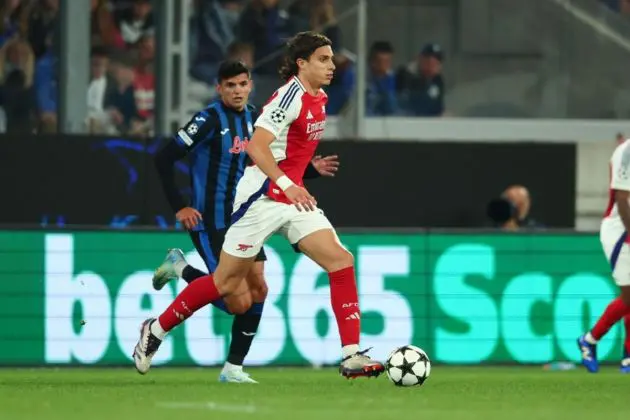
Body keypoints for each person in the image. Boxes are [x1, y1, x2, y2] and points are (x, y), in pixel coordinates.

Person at [133, 31, 384, 379]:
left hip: (291, 196)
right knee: (225, 286)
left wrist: (302, 176)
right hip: (259, 199)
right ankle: (155, 330)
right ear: (302, 63)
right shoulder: (288, 97)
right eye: (323, 59)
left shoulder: (320, 97)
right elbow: (257, 147)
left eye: (330, 59)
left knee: (341, 261)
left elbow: (286, 150)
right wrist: (285, 184)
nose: (331, 66)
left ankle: (351, 354)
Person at [150, 59, 339, 382]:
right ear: (219, 89)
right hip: (211, 220)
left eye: (242, 84)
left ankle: (233, 369)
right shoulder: (207, 120)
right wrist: (180, 206)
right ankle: (180, 268)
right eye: (230, 86)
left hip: (247, 216)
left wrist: (309, 171)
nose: (237, 91)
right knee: (237, 302)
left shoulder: (257, 118)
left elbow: (272, 161)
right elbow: (164, 157)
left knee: (260, 289)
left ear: (250, 84)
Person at [578, 138, 630, 373]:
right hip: (620, 229)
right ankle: (590, 339)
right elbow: (622, 200)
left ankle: (627, 357)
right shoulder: (626, 151)